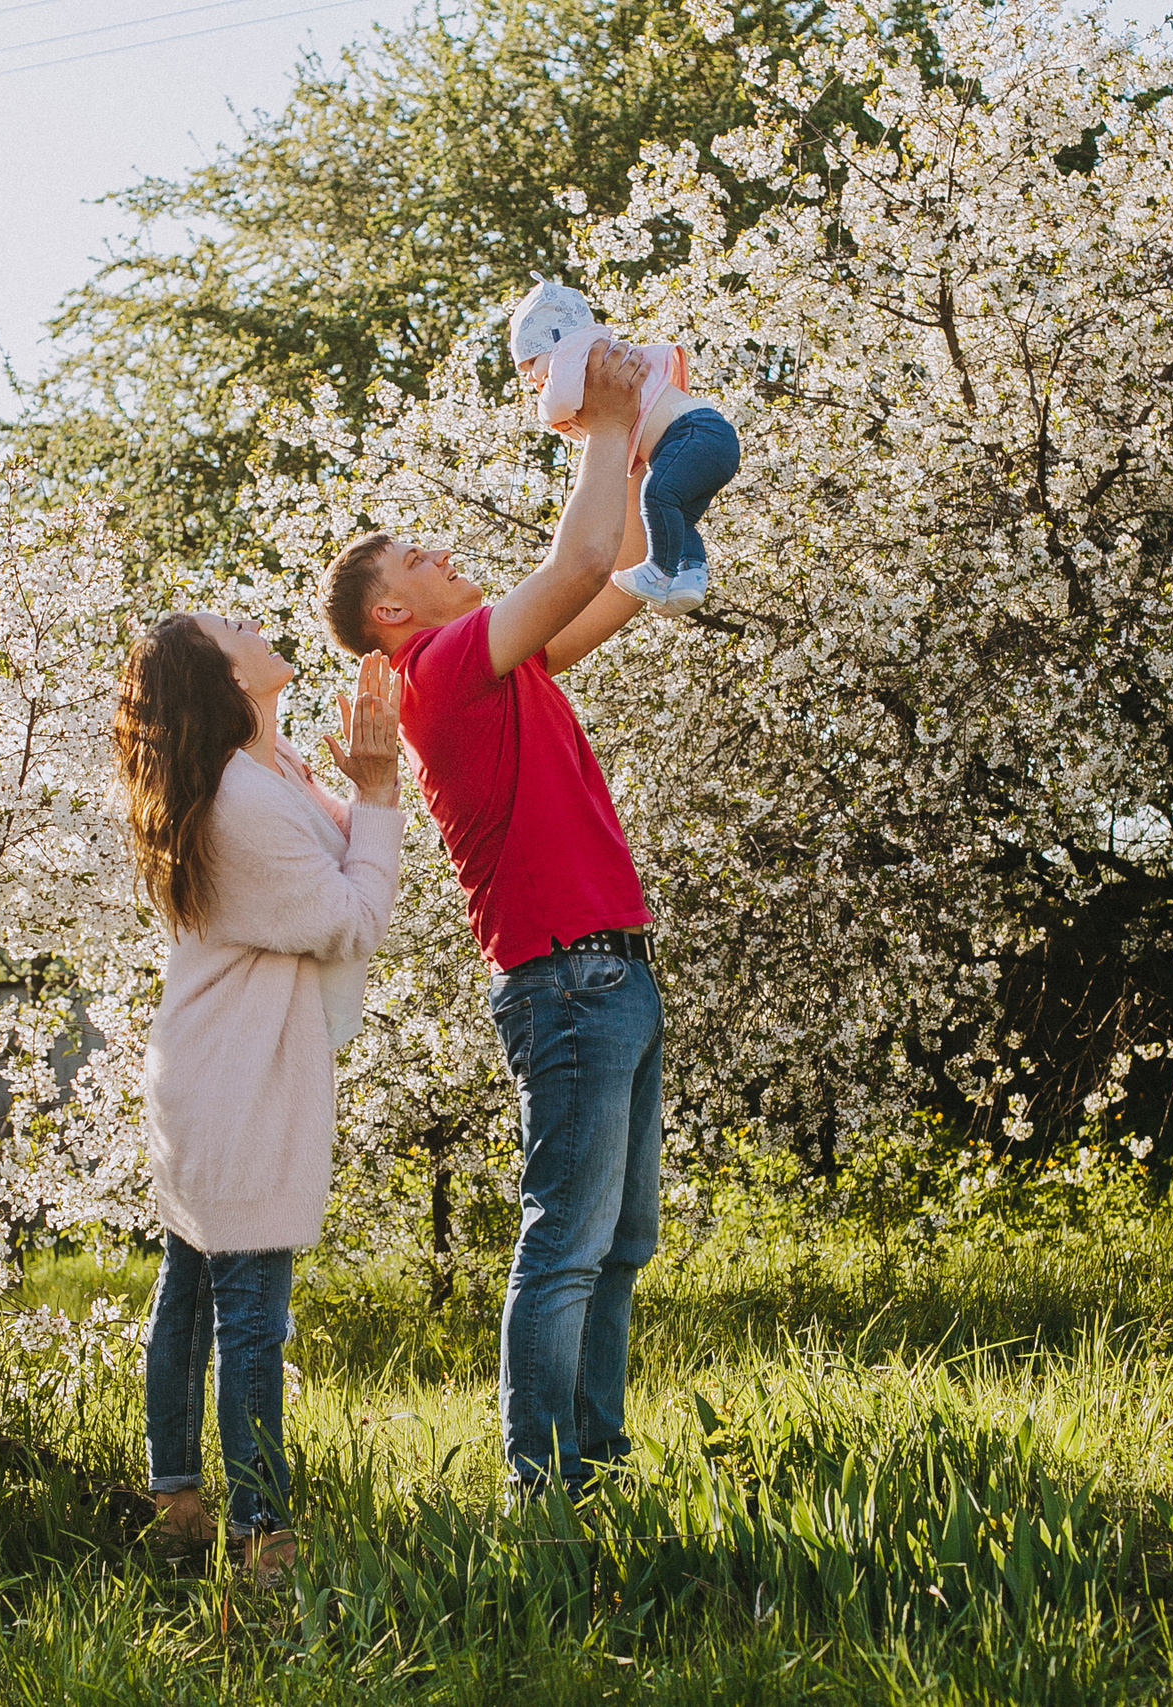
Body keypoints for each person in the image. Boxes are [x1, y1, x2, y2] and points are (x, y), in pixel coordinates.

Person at [316, 339, 661, 1498]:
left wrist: (649, 454)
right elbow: (573, 563)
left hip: (612, 968)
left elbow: (619, 568)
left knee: (617, 1245)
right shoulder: (439, 669)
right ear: (392, 610)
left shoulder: (505, 667)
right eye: (421, 555)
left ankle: (596, 1469)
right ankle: (543, 1488)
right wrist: (604, 425)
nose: (446, 553)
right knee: (567, 1244)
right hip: (569, 979)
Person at [116, 614, 406, 1573]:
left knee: (195, 1287)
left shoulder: (263, 771)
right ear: (222, 677)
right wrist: (378, 792)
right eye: (227, 626)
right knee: (243, 1307)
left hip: (216, 1067)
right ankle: (260, 1538)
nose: (248, 618)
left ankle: (179, 1504)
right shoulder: (241, 798)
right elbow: (351, 916)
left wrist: (348, 787)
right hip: (235, 1079)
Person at [506, 273, 741, 618]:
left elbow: (556, 403)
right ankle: (690, 574)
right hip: (708, 438)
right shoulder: (595, 353)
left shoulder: (574, 351)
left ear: (553, 343)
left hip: (691, 433)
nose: (530, 377)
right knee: (677, 516)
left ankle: (658, 572)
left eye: (531, 363)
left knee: (656, 496)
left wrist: (548, 412)